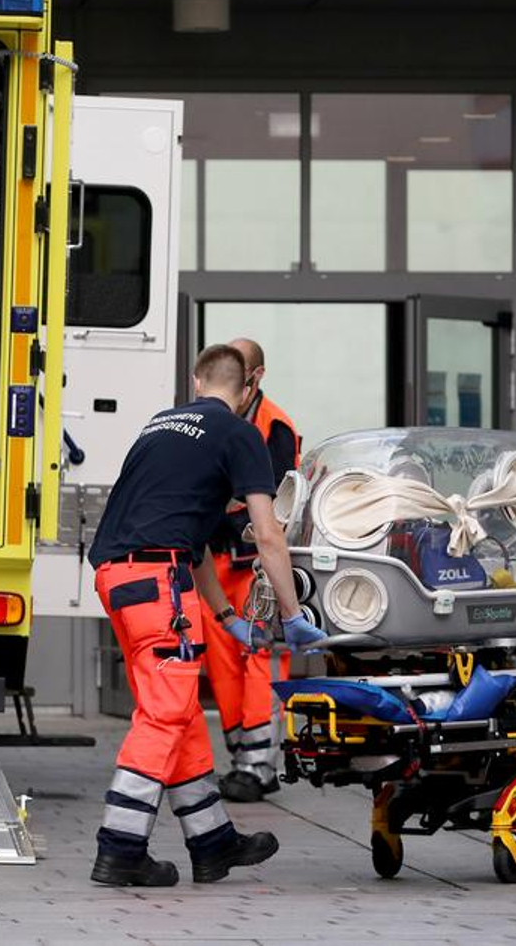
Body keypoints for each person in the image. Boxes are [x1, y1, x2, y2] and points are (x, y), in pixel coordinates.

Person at [87, 344, 327, 888]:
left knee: (182, 712)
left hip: (118, 578)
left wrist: (223, 616)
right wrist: (292, 614)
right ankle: (120, 847)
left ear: (197, 382)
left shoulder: (159, 425)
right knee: (163, 716)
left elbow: (189, 535)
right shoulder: (241, 433)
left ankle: (212, 841)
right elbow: (269, 534)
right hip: (159, 582)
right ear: (246, 391)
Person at [202, 338, 301, 803]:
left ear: (256, 378)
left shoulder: (275, 425)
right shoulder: (218, 417)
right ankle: (243, 759)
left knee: (259, 658)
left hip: (254, 566)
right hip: (216, 559)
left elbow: (276, 497)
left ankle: (259, 765)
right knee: (222, 664)